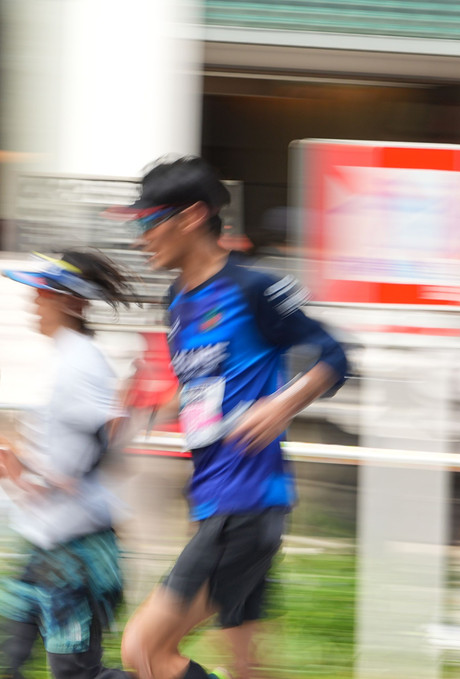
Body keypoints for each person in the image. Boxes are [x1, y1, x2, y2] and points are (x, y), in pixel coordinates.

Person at [109, 157, 348, 679]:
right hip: (213, 499)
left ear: (193, 217)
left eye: (149, 223)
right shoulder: (176, 300)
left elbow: (336, 356)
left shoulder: (255, 289)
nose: (141, 239)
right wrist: (159, 404)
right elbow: (207, 383)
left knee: (144, 651)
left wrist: (283, 402)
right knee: (246, 666)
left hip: (247, 504)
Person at [0, 249, 136, 679]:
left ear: (69, 302)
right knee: (8, 661)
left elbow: (98, 451)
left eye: (41, 293)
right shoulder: (66, 357)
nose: (32, 302)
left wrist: (27, 471)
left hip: (77, 556)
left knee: (78, 676)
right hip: (45, 546)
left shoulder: (81, 362)